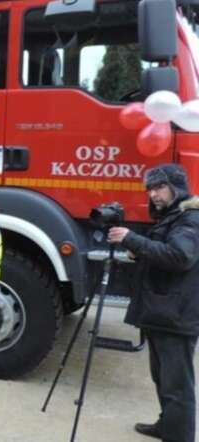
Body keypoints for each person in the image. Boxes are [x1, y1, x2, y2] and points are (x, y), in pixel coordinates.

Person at [108, 163, 199, 442]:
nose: (154, 195)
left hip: (177, 315)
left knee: (177, 386)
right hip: (164, 311)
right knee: (162, 378)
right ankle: (167, 425)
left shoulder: (190, 219)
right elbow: (165, 253)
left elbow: (180, 257)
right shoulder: (172, 216)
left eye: (160, 188)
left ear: (177, 187)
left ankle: (179, 435)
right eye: (150, 189)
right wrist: (140, 252)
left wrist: (131, 238)